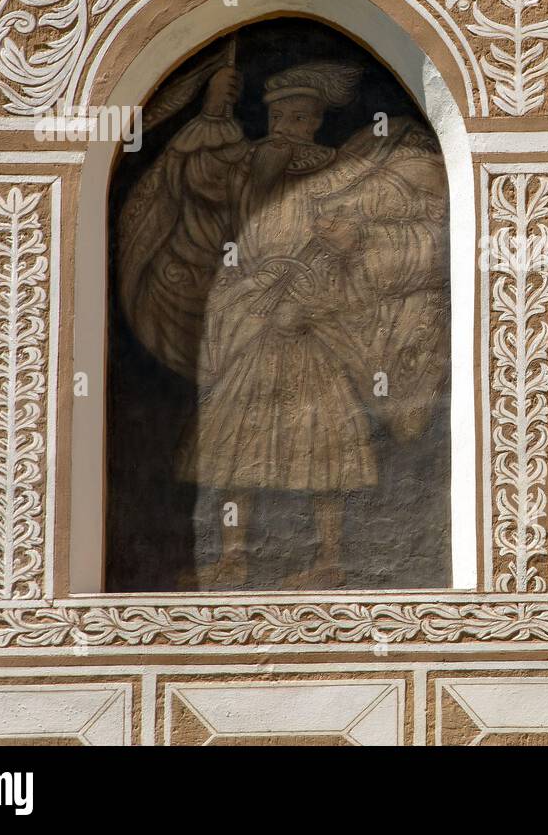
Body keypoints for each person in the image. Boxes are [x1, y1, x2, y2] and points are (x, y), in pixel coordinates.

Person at [118, 59, 448, 588]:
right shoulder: (253, 164)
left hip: (313, 325)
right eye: (279, 115)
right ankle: (231, 556)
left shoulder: (337, 173)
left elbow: (364, 233)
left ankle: (330, 560)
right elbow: (202, 178)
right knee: (233, 443)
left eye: (298, 116)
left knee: (325, 443)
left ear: (315, 120)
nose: (287, 125)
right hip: (254, 316)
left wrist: (335, 265)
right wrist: (211, 113)